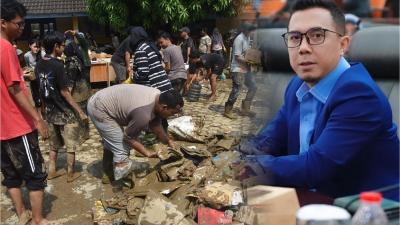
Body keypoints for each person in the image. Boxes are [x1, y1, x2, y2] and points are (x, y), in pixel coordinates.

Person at [238, 0, 399, 201]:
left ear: (343, 45)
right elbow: (270, 139)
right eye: (295, 38)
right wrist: (236, 154)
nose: (303, 48)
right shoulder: (298, 85)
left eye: (316, 36)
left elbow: (315, 167)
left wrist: (249, 165)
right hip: (311, 199)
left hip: (364, 211)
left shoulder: (359, 94)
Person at [1, 0, 51, 224]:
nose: (22, 28)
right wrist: (38, 118)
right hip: (17, 125)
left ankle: (22, 214)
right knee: (35, 176)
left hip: (2, 128)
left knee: (11, 176)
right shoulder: (6, 48)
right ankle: (39, 219)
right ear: (3, 23)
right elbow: (14, 88)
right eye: (18, 24)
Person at [87, 84, 183, 181]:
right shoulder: (143, 114)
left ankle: (107, 174)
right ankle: (123, 186)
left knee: (112, 142)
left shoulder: (158, 97)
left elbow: (156, 126)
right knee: (121, 148)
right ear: (164, 107)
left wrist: (168, 141)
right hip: (99, 108)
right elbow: (128, 137)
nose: (171, 116)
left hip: (105, 100)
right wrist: (147, 152)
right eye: (172, 113)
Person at [32, 31, 88, 183]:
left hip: (49, 112)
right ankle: (70, 174)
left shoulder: (38, 64)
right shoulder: (58, 65)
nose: (64, 48)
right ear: (56, 46)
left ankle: (52, 171)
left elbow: (39, 90)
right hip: (64, 112)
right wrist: (80, 111)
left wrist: (42, 111)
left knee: (53, 145)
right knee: (71, 145)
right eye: (62, 45)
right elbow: (65, 92)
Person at [224, 22, 257, 119]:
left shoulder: (247, 38)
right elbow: (238, 56)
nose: (253, 32)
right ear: (247, 30)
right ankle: (228, 110)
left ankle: (245, 109)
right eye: (252, 30)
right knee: (236, 90)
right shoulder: (239, 39)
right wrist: (250, 61)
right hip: (237, 69)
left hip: (245, 68)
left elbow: (247, 53)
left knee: (253, 87)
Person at [131, 26, 173, 93]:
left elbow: (143, 72)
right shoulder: (150, 46)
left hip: (154, 89)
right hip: (163, 85)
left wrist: (133, 76)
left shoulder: (141, 49)